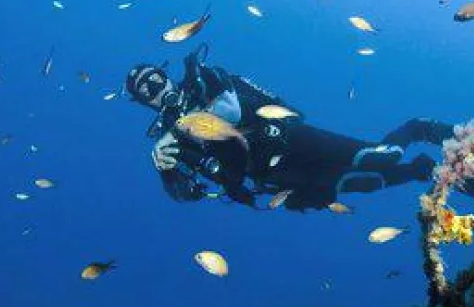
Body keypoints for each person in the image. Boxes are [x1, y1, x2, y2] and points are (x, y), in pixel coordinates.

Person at [125, 45, 454, 211]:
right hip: (274, 178)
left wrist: (235, 108)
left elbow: (280, 107)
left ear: (166, 76)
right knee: (365, 183)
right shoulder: (169, 142)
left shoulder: (205, 80)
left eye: (156, 79)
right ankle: (425, 170)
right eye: (146, 91)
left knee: (380, 157)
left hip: (293, 139)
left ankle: (419, 128)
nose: (156, 89)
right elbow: (185, 195)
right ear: (145, 103)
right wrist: (167, 173)